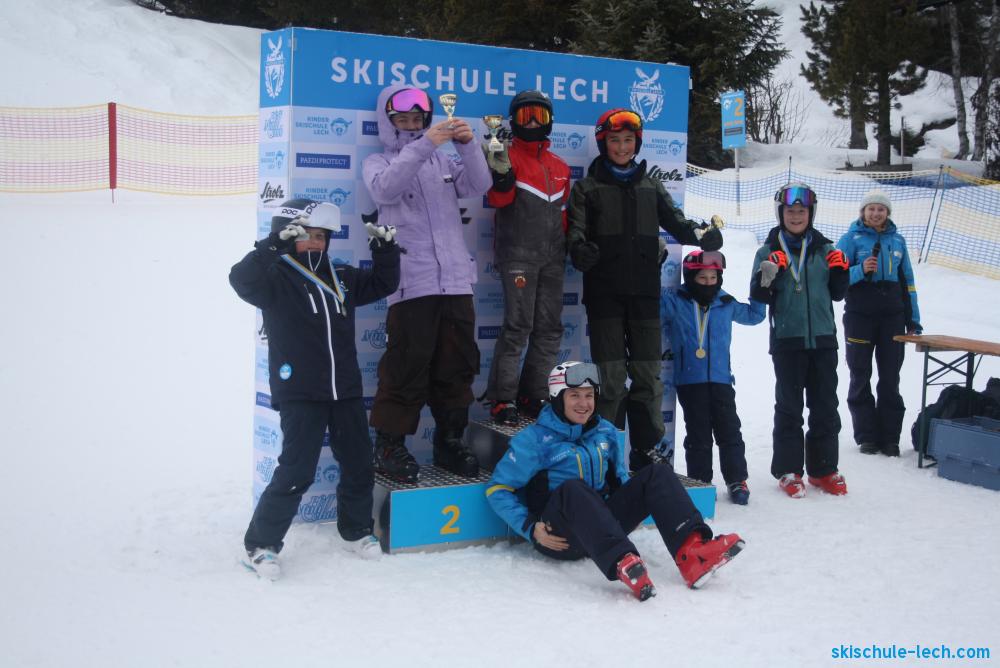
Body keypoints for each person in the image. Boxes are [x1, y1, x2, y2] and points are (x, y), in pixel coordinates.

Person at [230, 199, 401, 579]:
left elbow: (383, 283)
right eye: (306, 235)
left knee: (358, 463)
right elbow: (241, 280)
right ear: (286, 234)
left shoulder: (340, 275)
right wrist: (271, 246)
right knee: (297, 470)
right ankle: (261, 545)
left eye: (321, 236)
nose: (315, 242)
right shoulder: (274, 277)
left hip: (345, 390)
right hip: (300, 392)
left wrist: (385, 251)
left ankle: (355, 531)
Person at [485, 361, 745, 601]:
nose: (583, 403)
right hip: (561, 537)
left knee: (657, 473)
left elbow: (620, 479)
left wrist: (633, 502)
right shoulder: (534, 440)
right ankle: (625, 563)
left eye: (589, 395)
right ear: (557, 398)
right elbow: (497, 489)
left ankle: (694, 553)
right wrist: (531, 528)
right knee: (574, 488)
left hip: (601, 529)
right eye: (574, 395)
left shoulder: (605, 431)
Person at [566, 107, 724, 472]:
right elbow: (575, 232)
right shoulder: (587, 188)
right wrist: (579, 250)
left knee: (648, 376)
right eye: (614, 140)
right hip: (604, 295)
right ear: (603, 144)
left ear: (636, 144)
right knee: (610, 380)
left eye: (628, 140)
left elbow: (679, 224)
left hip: (644, 295)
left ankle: (646, 451)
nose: (622, 147)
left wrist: (703, 235)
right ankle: (605, 454)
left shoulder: (651, 185)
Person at [362, 85, 492, 482]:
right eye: (402, 119)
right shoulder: (378, 162)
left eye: (417, 118)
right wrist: (425, 144)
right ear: (388, 122)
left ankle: (449, 442)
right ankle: (389, 446)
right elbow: (386, 189)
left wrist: (468, 146)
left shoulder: (443, 161)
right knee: (406, 366)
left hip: (456, 282)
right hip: (412, 282)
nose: (411, 124)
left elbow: (480, 185)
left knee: (457, 365)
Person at [750, 182, 850, 498]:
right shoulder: (768, 251)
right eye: (790, 211)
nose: (796, 216)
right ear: (781, 213)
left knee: (825, 406)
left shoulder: (825, 249)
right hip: (788, 340)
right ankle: (789, 471)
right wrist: (770, 274)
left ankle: (823, 470)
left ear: (811, 213)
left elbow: (838, 294)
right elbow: (759, 296)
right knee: (790, 408)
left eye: (802, 211)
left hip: (823, 340)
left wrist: (841, 272)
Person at [483, 90, 571, 425]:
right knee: (518, 326)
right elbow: (499, 201)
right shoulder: (506, 155)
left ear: (550, 121)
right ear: (513, 121)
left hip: (552, 257)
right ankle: (502, 398)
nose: (532, 122)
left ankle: (533, 394)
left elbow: (563, 217)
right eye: (524, 116)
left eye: (539, 115)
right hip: (518, 255)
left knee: (549, 327)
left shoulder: (560, 167)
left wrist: (571, 245)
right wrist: (502, 179)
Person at [661, 250, 765, 505]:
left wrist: (761, 287)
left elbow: (755, 316)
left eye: (713, 278)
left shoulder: (726, 303)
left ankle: (736, 479)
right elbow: (655, 309)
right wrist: (654, 265)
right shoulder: (677, 302)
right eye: (702, 278)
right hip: (690, 381)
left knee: (730, 431)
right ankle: (700, 482)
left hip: (721, 380)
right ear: (690, 278)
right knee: (698, 435)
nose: (708, 283)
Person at [836, 190, 922, 457]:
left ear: (887, 213)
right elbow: (835, 278)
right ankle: (867, 436)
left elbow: (908, 282)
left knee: (890, 377)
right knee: (860, 375)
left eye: (881, 209)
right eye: (871, 209)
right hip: (859, 316)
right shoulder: (850, 239)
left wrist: (913, 319)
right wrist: (861, 270)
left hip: (892, 318)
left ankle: (890, 437)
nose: (876, 213)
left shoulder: (898, 241)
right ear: (863, 212)